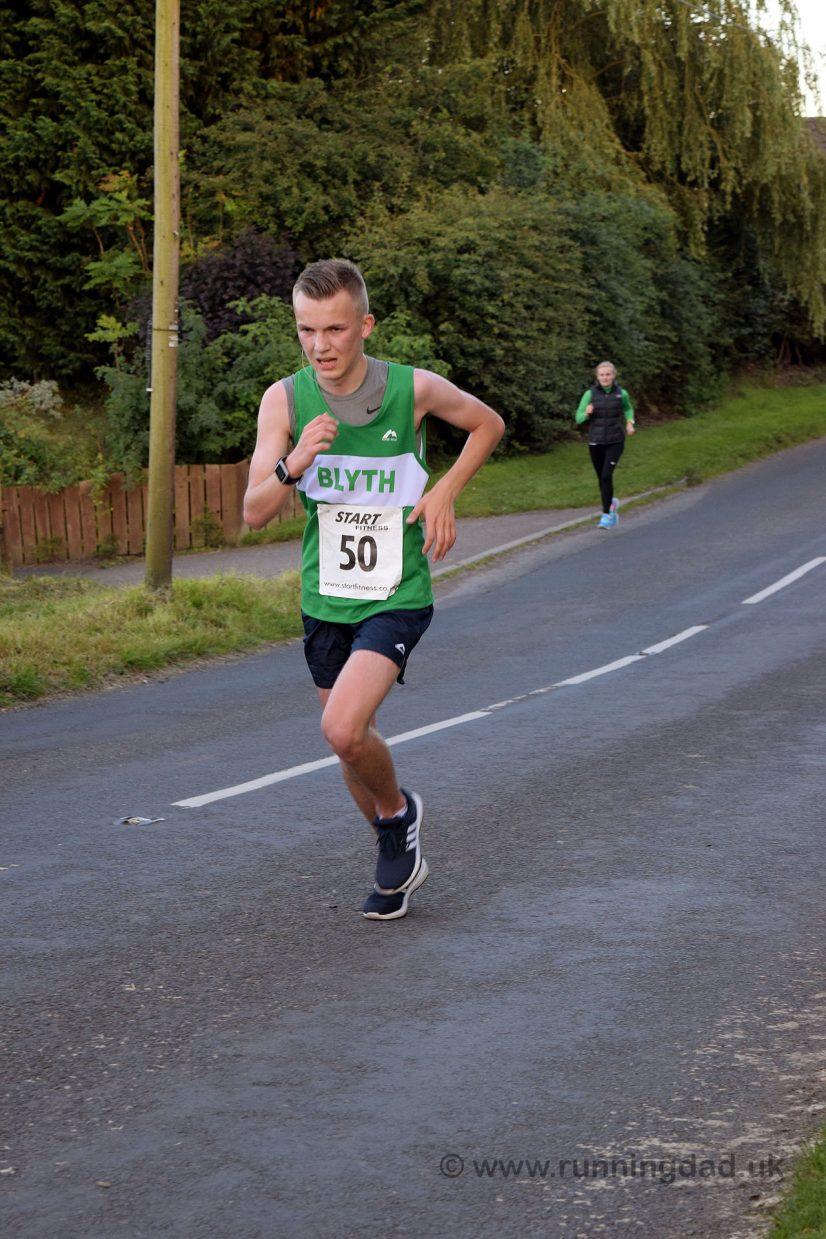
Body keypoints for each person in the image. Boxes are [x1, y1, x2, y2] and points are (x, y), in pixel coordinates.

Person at [243, 259, 504, 921]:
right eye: (307, 329)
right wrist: (294, 461)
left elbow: (487, 423)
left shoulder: (409, 389)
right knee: (349, 740)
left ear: (365, 325)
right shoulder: (285, 400)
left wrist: (444, 487)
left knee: (341, 725)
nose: (320, 344)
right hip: (324, 598)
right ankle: (394, 838)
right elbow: (253, 509)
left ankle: (396, 816)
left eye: (334, 328)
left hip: (396, 591)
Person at [574, 361, 636, 528]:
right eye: (602, 375)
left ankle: (606, 515)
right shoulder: (590, 394)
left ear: (613, 375)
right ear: (597, 377)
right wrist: (586, 413)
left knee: (606, 476)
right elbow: (578, 418)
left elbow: (628, 409)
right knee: (601, 479)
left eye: (608, 374)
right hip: (596, 442)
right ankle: (611, 504)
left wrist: (630, 423)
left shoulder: (621, 393)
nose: (605, 377)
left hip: (615, 440)